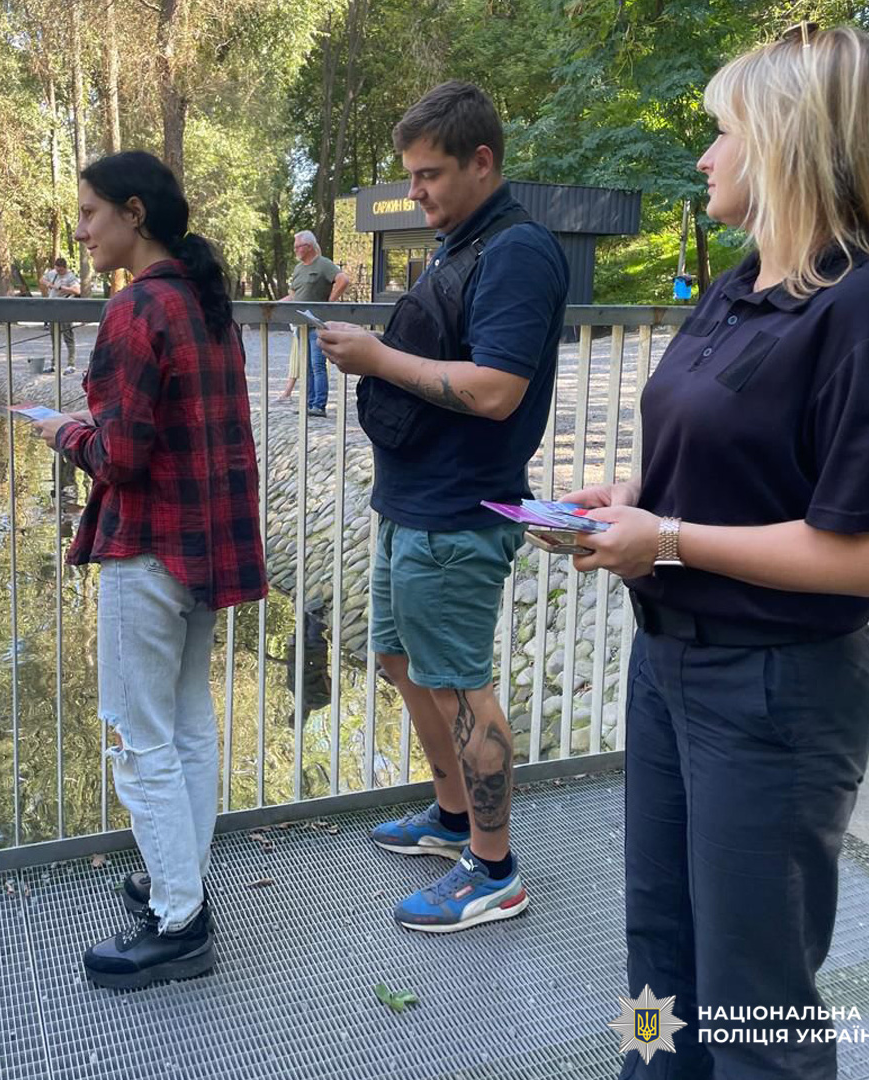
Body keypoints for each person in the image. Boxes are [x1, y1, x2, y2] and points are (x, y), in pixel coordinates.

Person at [563, 24, 869, 1079]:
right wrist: (636, 494)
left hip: (774, 692)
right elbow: (727, 458)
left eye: (722, 134)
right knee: (658, 963)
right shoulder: (743, 281)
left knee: (757, 1001)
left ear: (788, 142)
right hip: (668, 663)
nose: (704, 158)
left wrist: (664, 537)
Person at [318, 81, 569, 932]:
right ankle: (453, 816)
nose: (414, 190)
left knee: (464, 687)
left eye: (428, 174)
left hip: (461, 513)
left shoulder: (519, 252)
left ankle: (495, 870)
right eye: (411, 175)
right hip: (411, 504)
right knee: (399, 661)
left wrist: (377, 359)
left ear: (482, 162)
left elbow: (498, 390)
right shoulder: (458, 243)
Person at [33, 150, 267, 989]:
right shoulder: (205, 303)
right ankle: (182, 882)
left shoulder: (136, 310)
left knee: (140, 738)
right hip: (208, 547)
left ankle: (180, 923)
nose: (83, 230)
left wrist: (58, 430)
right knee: (190, 722)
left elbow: (119, 456)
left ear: (134, 213)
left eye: (90, 213)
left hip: (151, 547)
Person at [278, 231, 349, 415]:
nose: (295, 250)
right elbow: (294, 295)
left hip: (316, 325)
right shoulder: (298, 269)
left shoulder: (323, 264)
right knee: (306, 366)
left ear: (308, 246)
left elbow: (343, 280)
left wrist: (328, 303)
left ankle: (319, 405)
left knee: (318, 365)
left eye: (298, 247)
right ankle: (308, 404)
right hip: (300, 326)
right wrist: (275, 306)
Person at [39, 256, 81, 372]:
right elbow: (42, 280)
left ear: (65, 268)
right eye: (57, 270)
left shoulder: (70, 277)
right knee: (54, 337)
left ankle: (71, 364)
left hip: (65, 309)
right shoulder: (52, 273)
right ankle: (54, 364)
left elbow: (77, 291)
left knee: (68, 336)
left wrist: (62, 288)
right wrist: (49, 284)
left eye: (60, 270)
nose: (58, 272)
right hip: (53, 308)